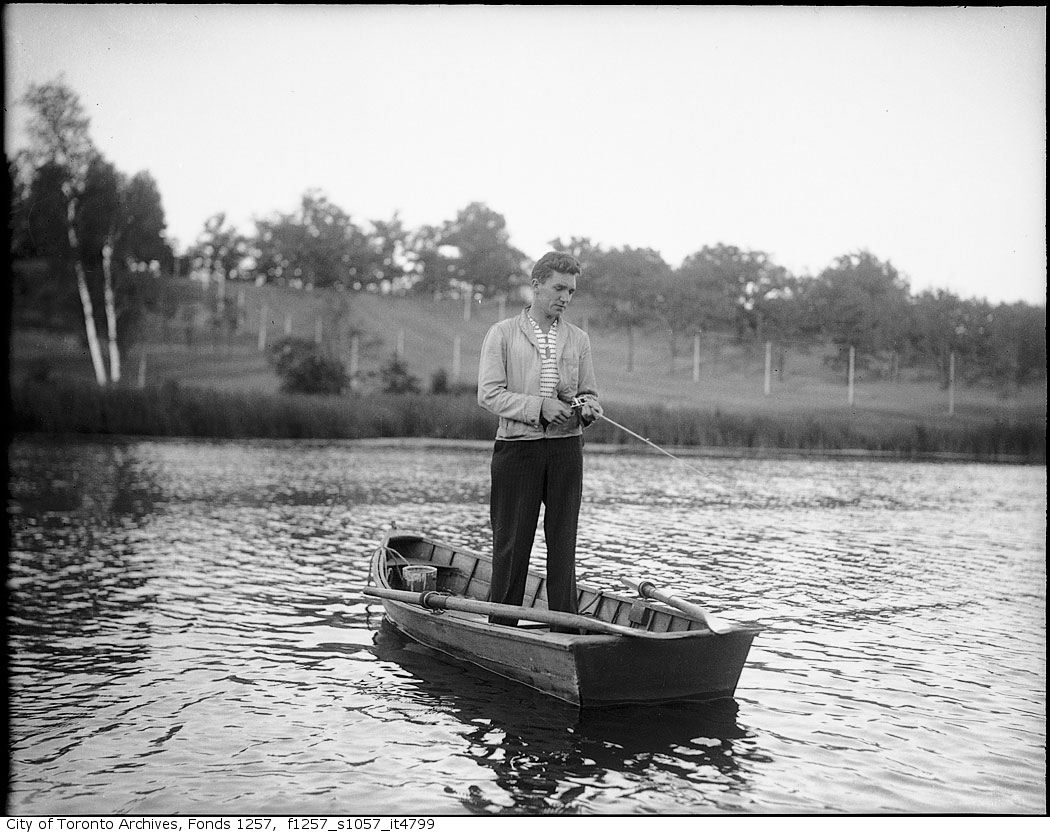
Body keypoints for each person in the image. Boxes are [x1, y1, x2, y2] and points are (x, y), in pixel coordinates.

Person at [477, 251, 603, 631]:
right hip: (517, 449)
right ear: (536, 285)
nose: (566, 297)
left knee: (563, 545)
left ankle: (565, 631)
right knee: (512, 546)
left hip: (567, 450)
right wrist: (540, 407)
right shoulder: (501, 333)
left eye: (572, 291)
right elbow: (489, 395)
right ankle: (502, 631)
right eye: (559, 288)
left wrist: (589, 408)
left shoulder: (578, 339)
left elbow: (590, 393)